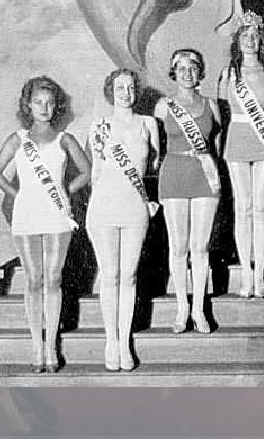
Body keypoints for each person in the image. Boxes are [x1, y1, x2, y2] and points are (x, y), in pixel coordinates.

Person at [0, 77, 90, 374]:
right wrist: (16, 194)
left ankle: (51, 347)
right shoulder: (18, 139)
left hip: (57, 214)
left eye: (49, 102)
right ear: (28, 106)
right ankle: (36, 345)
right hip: (27, 215)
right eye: (38, 102)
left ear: (56, 106)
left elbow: (86, 172)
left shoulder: (65, 139)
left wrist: (65, 190)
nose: (44, 108)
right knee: (33, 279)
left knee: (53, 278)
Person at [86, 69, 159, 371]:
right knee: (110, 274)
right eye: (120, 87)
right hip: (104, 206)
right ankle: (111, 342)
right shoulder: (99, 125)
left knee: (129, 275)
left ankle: (125, 343)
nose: (126, 93)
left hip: (135, 207)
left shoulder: (148, 124)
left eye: (130, 87)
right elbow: (96, 172)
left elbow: (153, 165)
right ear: (110, 91)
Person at [217, 10, 264, 298]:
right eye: (245, 35)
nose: (250, 40)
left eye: (255, 36)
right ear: (237, 41)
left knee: (261, 208)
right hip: (238, 141)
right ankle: (246, 273)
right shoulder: (229, 73)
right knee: (243, 208)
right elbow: (221, 113)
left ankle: (260, 276)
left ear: (262, 41)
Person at [154, 49, 221, 334]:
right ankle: (182, 307)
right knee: (179, 246)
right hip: (174, 174)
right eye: (181, 68)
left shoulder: (211, 105)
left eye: (192, 68)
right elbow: (155, 145)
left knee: (200, 246)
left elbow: (216, 144)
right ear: (173, 73)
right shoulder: (163, 106)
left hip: (204, 175)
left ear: (200, 72)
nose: (187, 73)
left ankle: (199, 309)